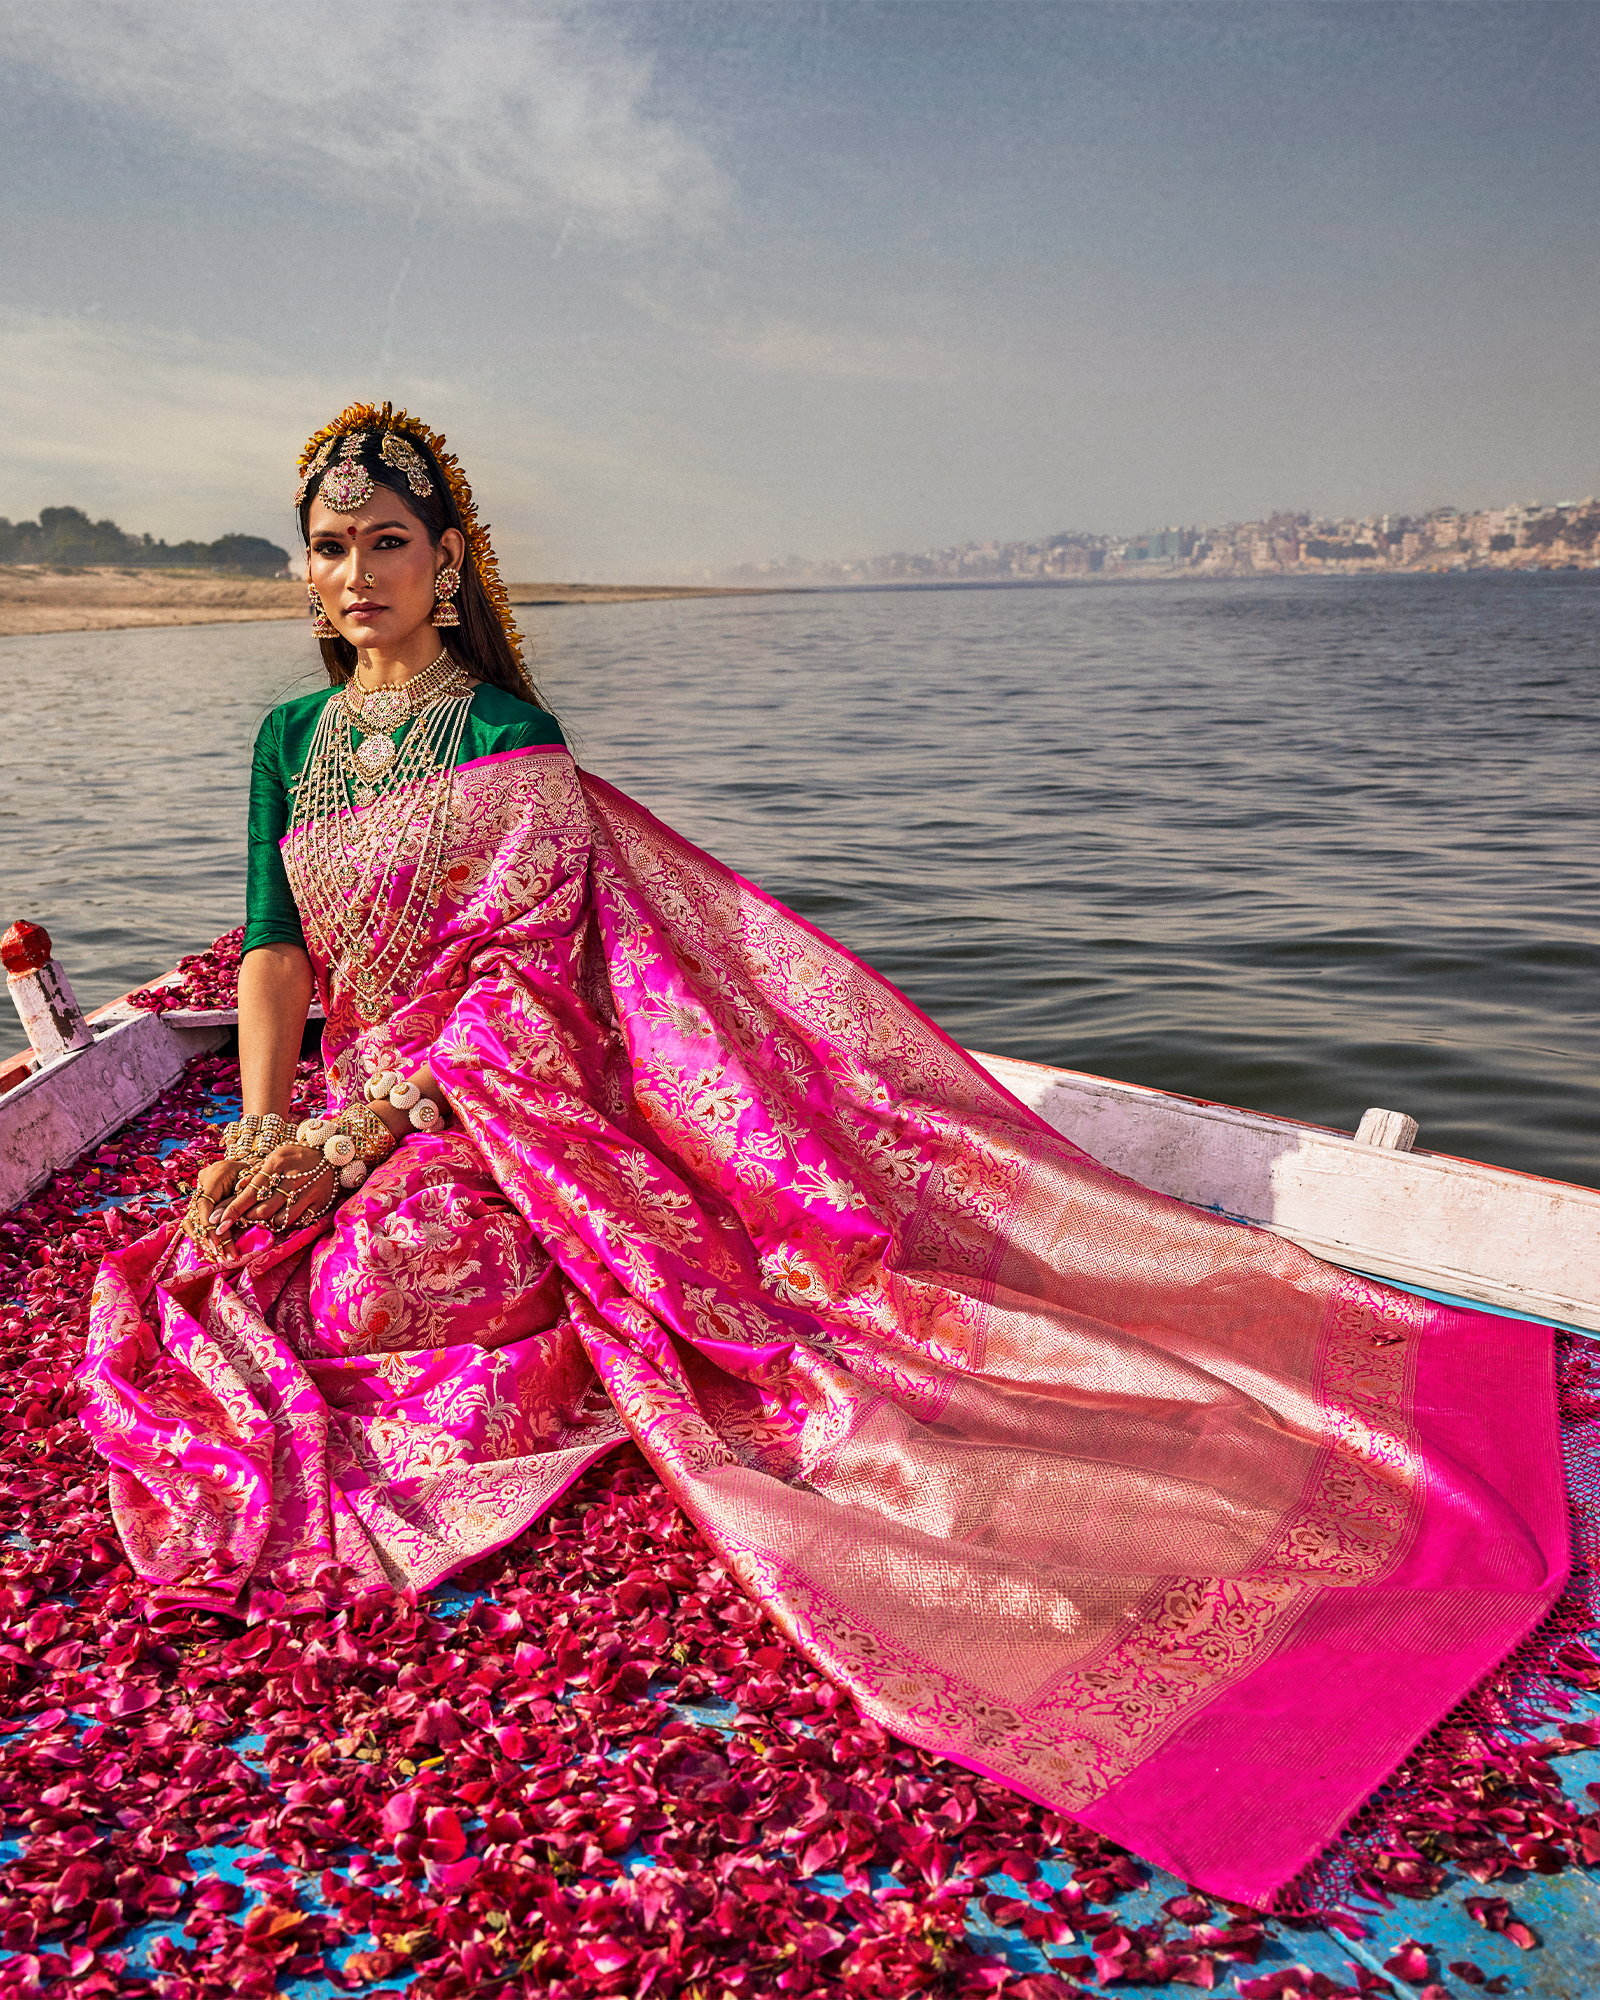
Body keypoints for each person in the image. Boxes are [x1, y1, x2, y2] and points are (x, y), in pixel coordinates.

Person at [78, 404, 1567, 1905]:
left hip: (485, 1107)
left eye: (386, 543)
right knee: (229, 1259)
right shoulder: (289, 740)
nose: (356, 575)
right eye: (331, 548)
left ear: (448, 560)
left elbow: (524, 987)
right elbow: (275, 954)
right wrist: (264, 1130)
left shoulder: (507, 740)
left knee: (373, 1289)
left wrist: (362, 1136)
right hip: (341, 1103)